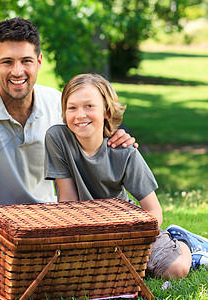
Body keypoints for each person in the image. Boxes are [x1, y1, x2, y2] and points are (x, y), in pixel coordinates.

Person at [0, 17, 136, 207]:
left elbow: (89, 156)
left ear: (39, 61)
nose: (17, 71)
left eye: (26, 61)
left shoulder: (57, 104)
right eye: (7, 62)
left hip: (48, 219)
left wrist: (112, 140)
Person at [43, 73, 208, 279]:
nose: (80, 115)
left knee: (174, 270)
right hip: (83, 228)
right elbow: (68, 199)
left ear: (106, 110)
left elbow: (153, 210)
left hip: (126, 228)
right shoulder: (57, 138)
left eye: (89, 106)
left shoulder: (124, 152)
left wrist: (127, 240)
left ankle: (184, 243)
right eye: (72, 107)